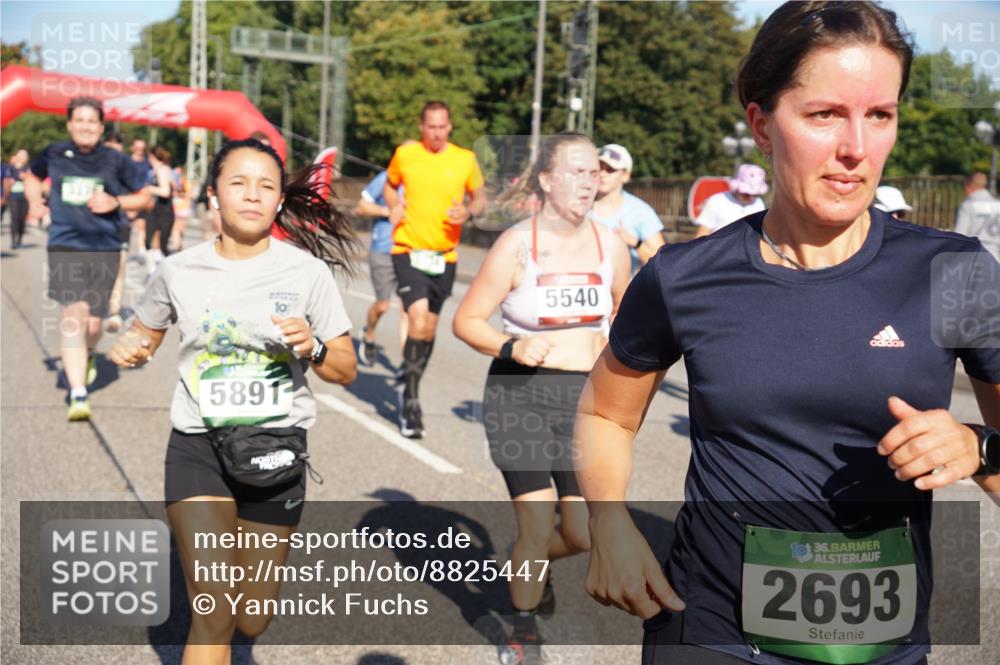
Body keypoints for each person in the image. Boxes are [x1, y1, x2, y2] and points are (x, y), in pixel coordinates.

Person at [575, 3, 1000, 665]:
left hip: (876, 645)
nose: (856, 146)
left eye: (879, 115)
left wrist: (978, 446)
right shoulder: (684, 276)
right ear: (762, 125)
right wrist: (608, 519)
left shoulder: (953, 270)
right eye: (824, 114)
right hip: (708, 628)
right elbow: (605, 411)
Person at [110, 138, 357, 663]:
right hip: (198, 447)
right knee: (215, 613)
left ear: (280, 201)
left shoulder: (307, 274)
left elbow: (345, 368)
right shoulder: (178, 271)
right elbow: (145, 333)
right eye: (238, 182)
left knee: (252, 618)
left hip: (276, 451)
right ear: (213, 194)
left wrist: (310, 345)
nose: (252, 194)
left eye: (266, 185)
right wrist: (132, 349)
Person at [454, 132, 631, 665]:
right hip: (521, 395)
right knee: (536, 523)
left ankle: (528, 565)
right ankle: (523, 633)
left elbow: (626, 315)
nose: (587, 182)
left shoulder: (611, 244)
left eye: (593, 172)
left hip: (584, 400)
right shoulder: (517, 244)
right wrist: (513, 343)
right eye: (575, 172)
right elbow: (467, 320)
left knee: (578, 532)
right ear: (548, 181)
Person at [23, 97, 151, 421]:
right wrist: (34, 199)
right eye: (79, 120)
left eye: (91, 121)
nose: (84, 126)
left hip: (105, 248)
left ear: (101, 127)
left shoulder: (115, 160)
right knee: (74, 315)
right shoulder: (53, 152)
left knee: (94, 323)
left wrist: (115, 200)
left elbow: (145, 196)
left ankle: (89, 354)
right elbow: (30, 176)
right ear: (69, 125)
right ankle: (78, 392)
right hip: (65, 245)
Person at [384, 100, 487, 438]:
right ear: (421, 126)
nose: (437, 133)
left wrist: (468, 213)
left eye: (442, 126)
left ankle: (411, 377)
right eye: (431, 126)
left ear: (450, 127)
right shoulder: (406, 155)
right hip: (408, 249)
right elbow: (389, 184)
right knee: (415, 318)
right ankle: (411, 403)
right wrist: (393, 204)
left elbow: (480, 199)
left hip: (445, 256)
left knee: (428, 330)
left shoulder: (464, 159)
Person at [355, 168, 408, 366]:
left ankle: (407, 362)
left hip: (410, 253)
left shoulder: (423, 179)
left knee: (408, 309)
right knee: (383, 305)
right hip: (383, 250)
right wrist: (388, 211)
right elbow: (361, 207)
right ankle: (368, 335)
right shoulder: (387, 178)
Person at [590, 143, 665, 268]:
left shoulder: (640, 211)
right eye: (598, 169)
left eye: (610, 169)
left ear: (625, 175)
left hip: (624, 287)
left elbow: (663, 263)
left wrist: (634, 242)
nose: (602, 174)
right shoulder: (579, 207)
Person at [693, 163, 768, 237]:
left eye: (754, 194)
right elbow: (701, 234)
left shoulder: (758, 203)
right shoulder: (717, 201)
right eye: (746, 193)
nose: (749, 197)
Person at [143, 146, 176, 275]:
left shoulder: (162, 169)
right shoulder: (162, 169)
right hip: (155, 210)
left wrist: (149, 189)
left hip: (164, 211)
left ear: (152, 157)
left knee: (163, 244)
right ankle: (152, 271)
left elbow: (165, 192)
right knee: (149, 240)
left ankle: (164, 272)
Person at [954, 171, 1000, 261]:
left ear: (968, 186)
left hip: (974, 256)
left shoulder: (968, 205)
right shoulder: (998, 204)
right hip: (996, 256)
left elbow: (959, 235)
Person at [5, 149, 30, 249]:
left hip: (25, 196)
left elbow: (31, 180)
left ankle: (19, 240)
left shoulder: (28, 168)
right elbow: (6, 180)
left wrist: (25, 178)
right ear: (17, 156)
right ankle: (13, 242)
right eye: (22, 155)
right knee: (14, 218)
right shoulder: (10, 168)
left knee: (22, 219)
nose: (24, 157)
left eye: (25, 155)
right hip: (13, 196)